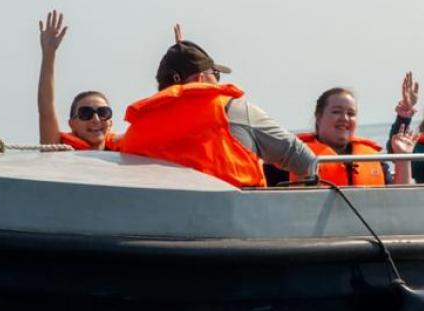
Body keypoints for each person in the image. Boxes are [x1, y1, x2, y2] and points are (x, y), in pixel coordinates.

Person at [115, 26, 316, 188]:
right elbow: (305, 161)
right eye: (216, 75)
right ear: (200, 78)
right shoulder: (233, 111)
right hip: (236, 226)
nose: (219, 82)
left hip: (156, 232)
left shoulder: (134, 132)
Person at [36, 10, 118, 150]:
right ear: (72, 123)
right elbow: (46, 110)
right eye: (85, 113)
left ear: (110, 122)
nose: (96, 119)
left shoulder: (127, 156)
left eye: (103, 113)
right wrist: (49, 54)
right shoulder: (58, 151)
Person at [294, 88, 391, 186]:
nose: (344, 118)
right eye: (336, 112)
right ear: (318, 117)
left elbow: (398, 197)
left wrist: (402, 156)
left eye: (351, 114)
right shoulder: (294, 156)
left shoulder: (374, 159)